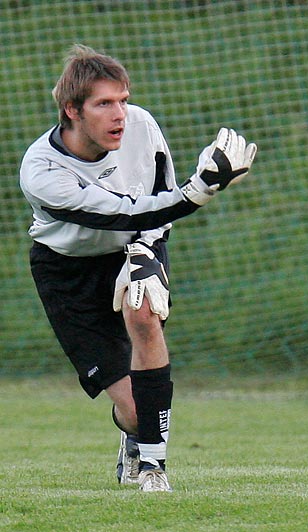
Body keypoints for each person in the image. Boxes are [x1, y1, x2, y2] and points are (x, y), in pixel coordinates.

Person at [19, 44, 257, 492]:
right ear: (72, 110)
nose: (120, 115)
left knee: (144, 316)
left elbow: (155, 202)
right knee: (133, 411)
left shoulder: (142, 126)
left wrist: (149, 248)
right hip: (66, 271)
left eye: (123, 100)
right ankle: (133, 438)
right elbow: (122, 211)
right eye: (104, 104)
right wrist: (199, 191)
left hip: (135, 243)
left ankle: (153, 467)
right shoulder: (42, 171)